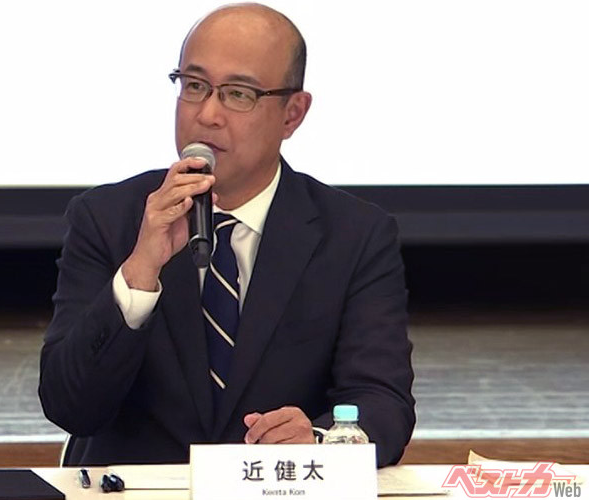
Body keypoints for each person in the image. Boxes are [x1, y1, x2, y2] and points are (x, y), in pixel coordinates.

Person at [38, 3, 415, 468]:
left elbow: (383, 403)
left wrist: (318, 442)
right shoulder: (108, 218)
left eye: (238, 94)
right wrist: (140, 272)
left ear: (293, 114)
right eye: (195, 86)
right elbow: (68, 405)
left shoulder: (355, 236)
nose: (208, 114)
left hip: (276, 489)